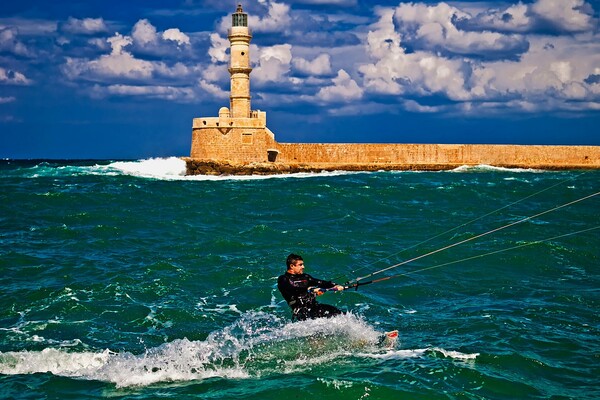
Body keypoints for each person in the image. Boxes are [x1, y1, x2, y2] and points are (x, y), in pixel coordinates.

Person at [277, 253, 345, 321]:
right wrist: (310, 289)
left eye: (303, 264)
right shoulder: (284, 279)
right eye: (300, 265)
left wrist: (335, 285)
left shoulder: (306, 277)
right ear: (292, 266)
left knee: (340, 314)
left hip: (315, 307)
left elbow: (321, 283)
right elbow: (292, 289)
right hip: (302, 312)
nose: (303, 267)